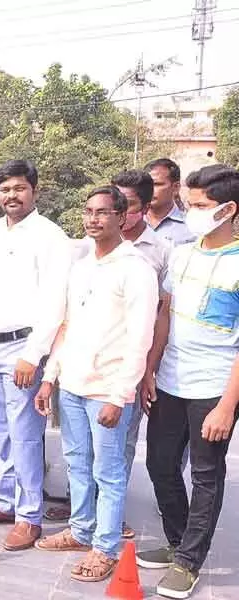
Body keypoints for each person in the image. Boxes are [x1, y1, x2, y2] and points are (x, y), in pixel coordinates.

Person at [33, 186, 157, 583]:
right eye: (88, 211)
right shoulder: (83, 264)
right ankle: (81, 529)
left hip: (107, 390)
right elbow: (67, 326)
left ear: (123, 217)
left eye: (102, 212)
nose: (93, 219)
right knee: (77, 465)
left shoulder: (136, 268)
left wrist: (120, 396)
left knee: (109, 471)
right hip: (71, 385)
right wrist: (50, 378)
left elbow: (141, 338)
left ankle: (105, 547)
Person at [137, 165, 239, 599]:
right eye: (189, 204)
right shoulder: (182, 254)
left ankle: (188, 561)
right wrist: (150, 369)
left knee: (205, 475)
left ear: (229, 209)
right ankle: (178, 541)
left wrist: (226, 406)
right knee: (159, 465)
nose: (191, 212)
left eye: (200, 206)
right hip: (171, 382)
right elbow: (165, 317)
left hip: (214, 388)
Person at [0, 160, 70, 549]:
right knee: (2, 431)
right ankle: (4, 500)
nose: (12, 195)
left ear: (35, 192)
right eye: (5, 189)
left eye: (19, 189)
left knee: (26, 435)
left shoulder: (50, 237)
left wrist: (34, 353)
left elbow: (56, 301)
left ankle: (29, 515)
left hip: (23, 348)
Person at [111, 169, 172, 539]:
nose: (118, 211)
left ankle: (111, 515)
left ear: (145, 207)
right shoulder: (92, 244)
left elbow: (162, 317)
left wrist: (148, 370)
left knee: (120, 442)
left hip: (131, 363)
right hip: (90, 361)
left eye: (128, 205)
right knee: (83, 442)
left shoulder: (161, 253)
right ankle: (85, 506)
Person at [145, 158, 196, 247]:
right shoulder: (129, 222)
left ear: (175, 187)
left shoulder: (192, 227)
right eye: (146, 185)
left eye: (157, 184)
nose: (149, 190)